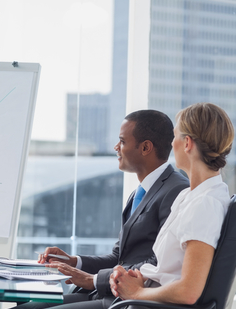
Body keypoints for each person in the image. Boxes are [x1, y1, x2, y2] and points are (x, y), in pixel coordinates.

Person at [14, 110, 190, 309]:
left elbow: (158, 264)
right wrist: (74, 262)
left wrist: (95, 279)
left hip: (128, 301)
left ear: (146, 147)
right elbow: (119, 258)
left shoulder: (176, 191)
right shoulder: (139, 193)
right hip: (108, 294)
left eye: (122, 141)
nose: (116, 148)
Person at [110, 103, 234, 306]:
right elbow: (168, 269)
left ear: (187, 144)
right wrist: (137, 277)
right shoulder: (190, 195)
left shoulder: (205, 204)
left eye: (174, 136)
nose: (171, 144)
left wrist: (137, 292)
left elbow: (189, 291)